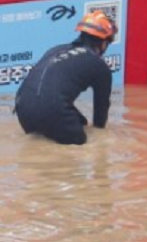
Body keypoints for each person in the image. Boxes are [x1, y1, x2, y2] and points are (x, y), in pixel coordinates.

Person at [14, 10, 117, 146]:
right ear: (104, 43)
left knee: (80, 123)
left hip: (23, 108)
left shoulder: (55, 50)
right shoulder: (99, 65)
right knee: (83, 146)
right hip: (53, 108)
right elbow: (100, 115)